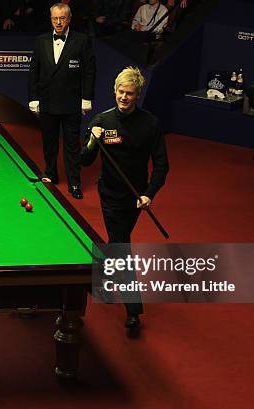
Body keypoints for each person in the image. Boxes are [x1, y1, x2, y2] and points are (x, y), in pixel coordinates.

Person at [82, 66, 169, 328]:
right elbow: (85, 161)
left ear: (138, 94)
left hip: (136, 197)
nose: (124, 97)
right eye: (121, 92)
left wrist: (148, 194)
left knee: (115, 243)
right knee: (122, 247)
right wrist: (92, 141)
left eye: (130, 93)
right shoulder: (102, 121)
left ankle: (101, 282)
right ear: (115, 91)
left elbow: (162, 165)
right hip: (109, 195)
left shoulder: (150, 123)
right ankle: (133, 310)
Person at [28, 2, 96, 199]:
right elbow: (34, 72)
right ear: (50, 19)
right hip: (47, 101)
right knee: (49, 142)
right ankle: (50, 174)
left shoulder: (82, 40)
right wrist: (33, 98)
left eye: (62, 18)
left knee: (72, 145)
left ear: (69, 19)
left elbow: (89, 71)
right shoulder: (41, 41)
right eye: (55, 18)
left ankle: (74, 182)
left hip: (72, 103)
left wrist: (86, 98)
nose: (58, 22)